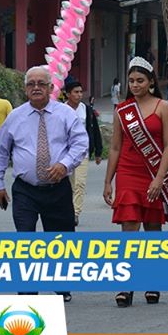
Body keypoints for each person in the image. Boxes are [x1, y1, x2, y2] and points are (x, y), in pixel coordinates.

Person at [0, 66, 87, 302]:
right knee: (25, 240)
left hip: (58, 189)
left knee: (61, 240)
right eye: (31, 84)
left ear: (51, 88)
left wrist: (64, 164)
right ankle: (27, 291)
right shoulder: (15, 117)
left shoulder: (65, 114)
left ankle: (61, 285)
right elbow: (0, 150)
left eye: (41, 84)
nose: (36, 88)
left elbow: (80, 143)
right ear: (25, 89)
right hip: (25, 190)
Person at [103, 57, 168, 307]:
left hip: (153, 171)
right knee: (129, 229)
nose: (135, 85)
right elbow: (115, 147)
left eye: (140, 80)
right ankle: (126, 284)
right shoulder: (122, 110)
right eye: (132, 81)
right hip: (127, 172)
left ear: (151, 82)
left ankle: (152, 280)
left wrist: (159, 178)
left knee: (153, 230)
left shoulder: (163, 107)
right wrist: (108, 181)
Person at [63, 81, 102, 226]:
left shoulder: (86, 109)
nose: (79, 95)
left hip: (82, 152)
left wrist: (98, 151)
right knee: (68, 185)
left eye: (80, 92)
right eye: (76, 92)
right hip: (65, 154)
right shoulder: (61, 109)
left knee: (79, 184)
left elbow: (95, 130)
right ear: (68, 94)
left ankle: (75, 213)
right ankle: (67, 210)